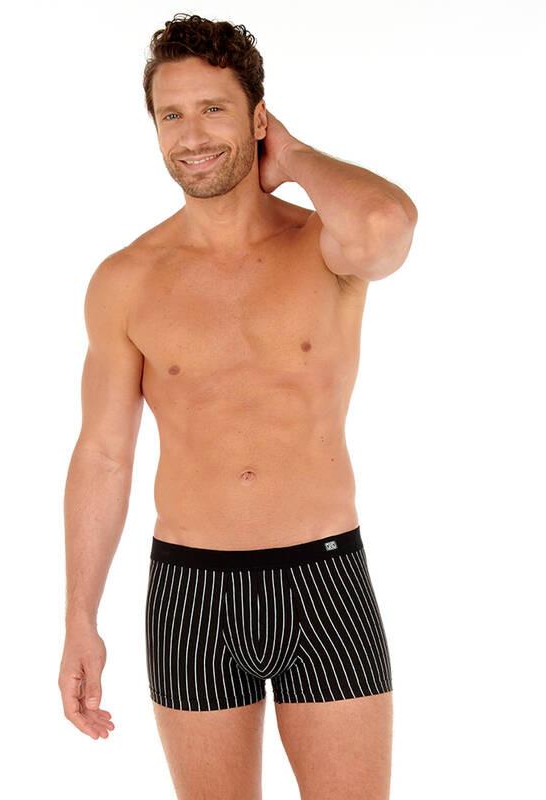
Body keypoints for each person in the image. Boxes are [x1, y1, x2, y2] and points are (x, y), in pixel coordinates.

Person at [58, 12, 417, 800]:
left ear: (258, 117)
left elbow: (387, 224)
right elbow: (104, 454)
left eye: (213, 108)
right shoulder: (127, 279)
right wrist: (80, 617)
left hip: (325, 579)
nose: (191, 135)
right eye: (171, 115)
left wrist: (294, 159)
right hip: (191, 591)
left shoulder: (326, 245)